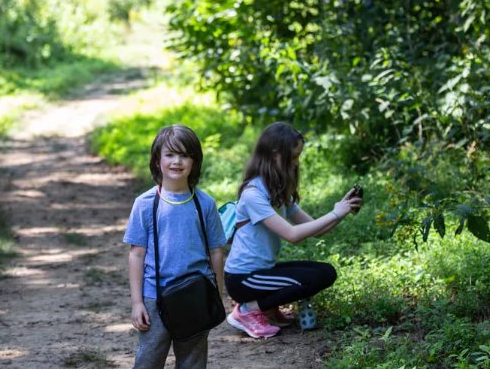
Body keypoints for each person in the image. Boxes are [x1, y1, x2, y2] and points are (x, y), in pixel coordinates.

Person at [224, 121, 363, 339]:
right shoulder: (253, 194)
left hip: (263, 271)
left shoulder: (277, 190)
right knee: (310, 280)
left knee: (325, 272)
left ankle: (267, 308)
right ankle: (248, 310)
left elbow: (317, 230)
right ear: (274, 154)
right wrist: (335, 213)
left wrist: (342, 210)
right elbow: (292, 235)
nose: (296, 163)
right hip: (243, 278)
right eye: (293, 157)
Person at [124, 124, 227, 368]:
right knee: (149, 360)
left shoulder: (205, 203)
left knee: (193, 361)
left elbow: (216, 252)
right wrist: (137, 303)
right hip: (155, 296)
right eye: (169, 154)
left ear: (195, 161)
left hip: (197, 295)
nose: (177, 161)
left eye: (184, 155)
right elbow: (136, 255)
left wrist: (217, 295)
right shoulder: (145, 204)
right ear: (157, 160)